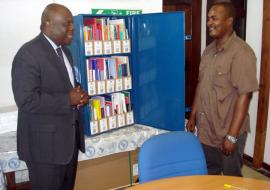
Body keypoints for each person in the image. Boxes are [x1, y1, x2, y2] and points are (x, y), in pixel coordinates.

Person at [11, 3, 89, 190]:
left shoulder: (65, 51)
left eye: (72, 23)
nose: (72, 28)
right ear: (47, 24)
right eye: (66, 24)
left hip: (67, 144)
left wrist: (79, 95)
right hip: (44, 150)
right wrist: (67, 100)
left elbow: (66, 86)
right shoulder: (28, 54)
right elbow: (25, 99)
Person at [186, 2, 258, 176]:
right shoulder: (208, 51)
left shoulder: (242, 53)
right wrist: (193, 116)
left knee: (231, 179)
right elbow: (201, 85)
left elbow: (245, 95)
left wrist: (232, 136)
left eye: (214, 18)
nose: (210, 22)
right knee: (209, 174)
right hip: (207, 131)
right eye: (209, 18)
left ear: (229, 21)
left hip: (226, 131)